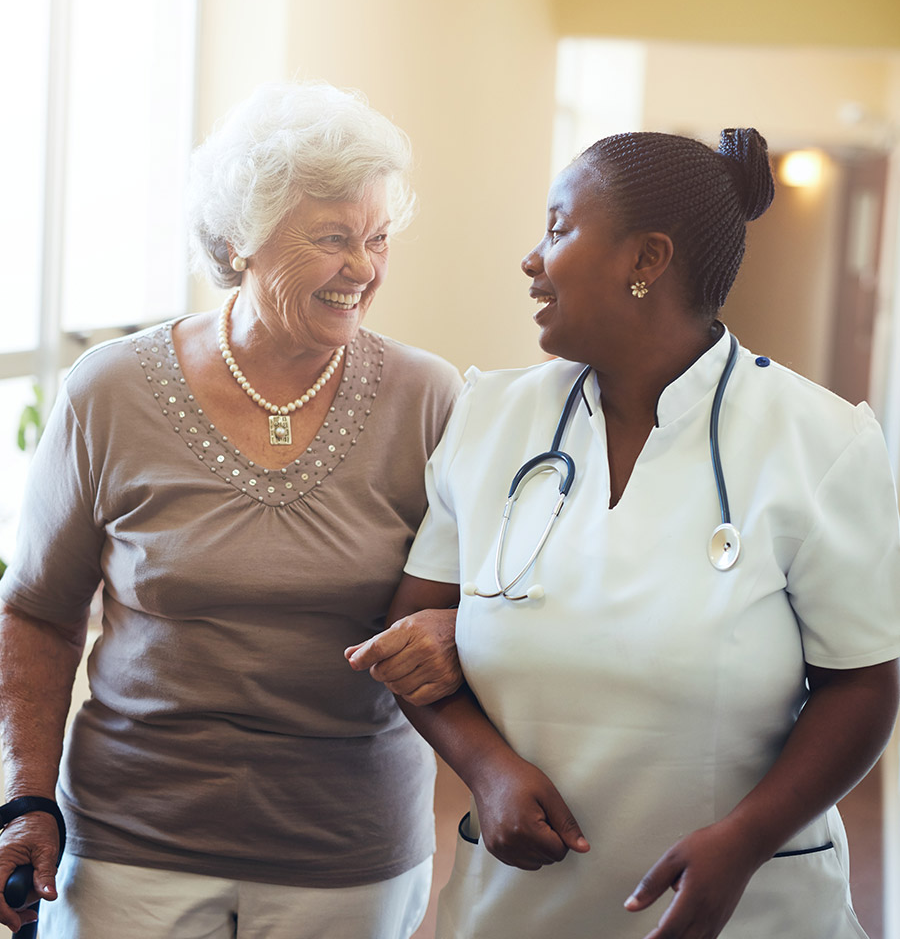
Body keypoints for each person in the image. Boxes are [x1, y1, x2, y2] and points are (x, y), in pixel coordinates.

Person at [347, 128, 900, 938]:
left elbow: (863, 684)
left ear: (647, 260)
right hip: (520, 906)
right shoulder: (491, 418)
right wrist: (488, 770)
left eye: (558, 228)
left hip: (747, 912)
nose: (532, 260)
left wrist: (744, 843)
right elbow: (411, 647)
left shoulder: (819, 441)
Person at [0, 80, 463, 939]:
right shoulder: (111, 392)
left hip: (348, 854)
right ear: (237, 242)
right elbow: (37, 611)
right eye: (332, 238)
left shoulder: (427, 398)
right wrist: (25, 797)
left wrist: (454, 629)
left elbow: (484, 593)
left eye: (378, 238)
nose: (362, 267)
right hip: (129, 851)